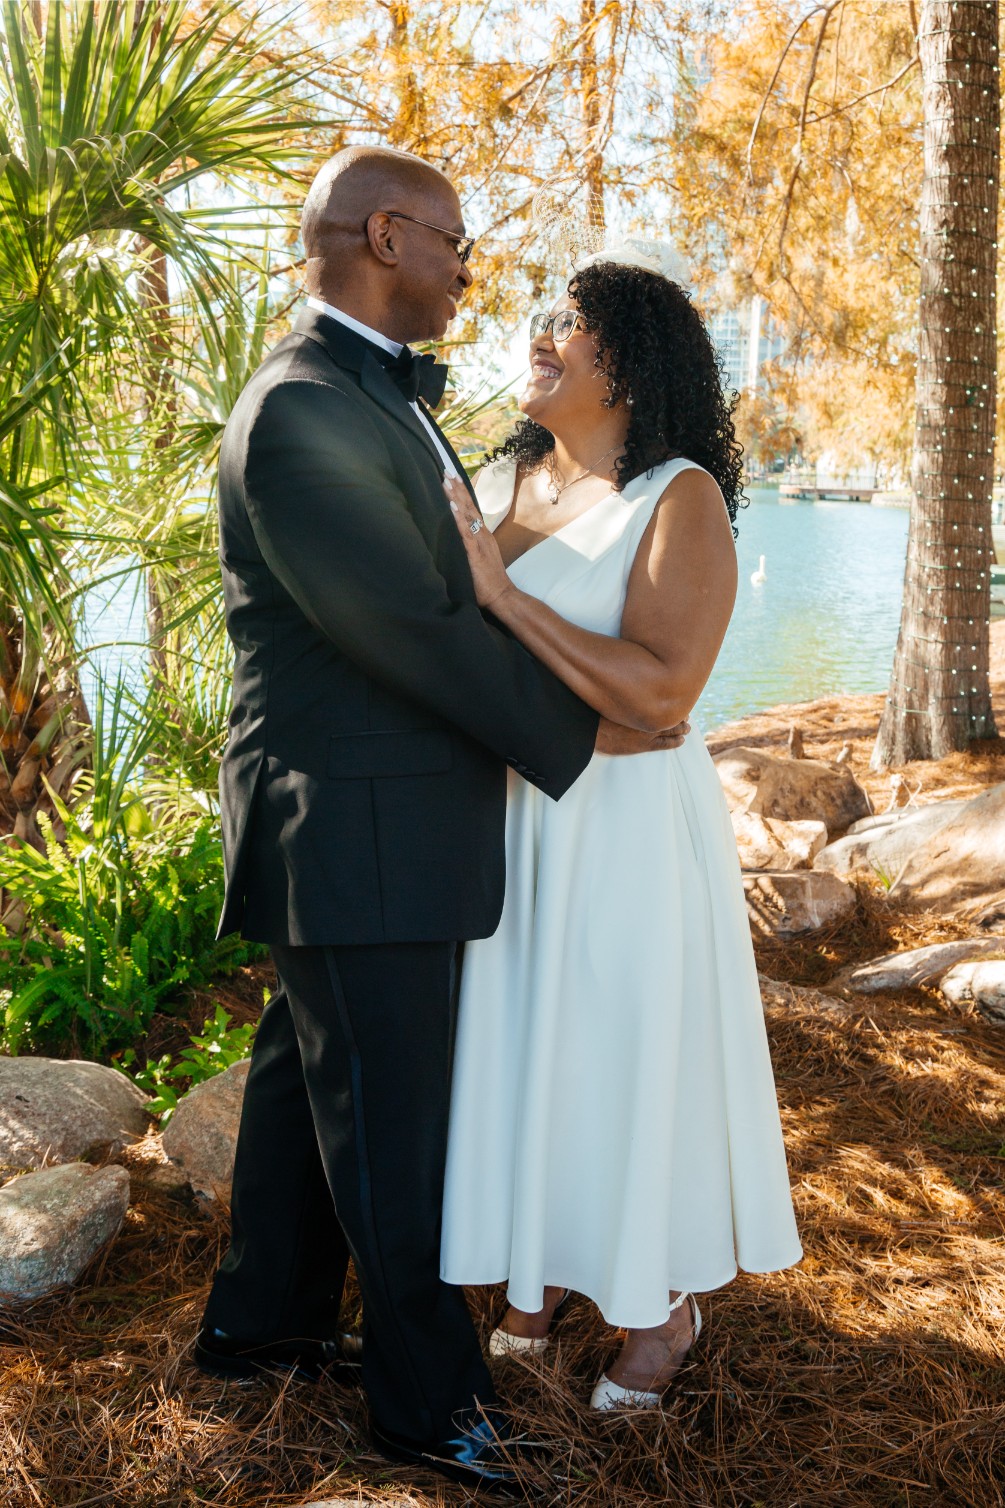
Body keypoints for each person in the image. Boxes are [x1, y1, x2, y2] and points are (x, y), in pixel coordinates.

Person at [196, 148, 687, 1495]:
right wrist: (587, 733)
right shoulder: (302, 410)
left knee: (311, 1089)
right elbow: (414, 630)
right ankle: (426, 1407)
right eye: (457, 241)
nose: (473, 267)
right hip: (355, 827)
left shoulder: (372, 396)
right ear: (390, 234)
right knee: (393, 1123)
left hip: (358, 821)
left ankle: (261, 1326)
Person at [440, 240, 803, 1410]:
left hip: (628, 836)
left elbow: (660, 693)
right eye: (540, 315)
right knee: (523, 1036)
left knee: (613, 1049)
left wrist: (500, 598)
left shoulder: (678, 497)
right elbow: (450, 663)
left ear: (632, 365)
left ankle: (660, 1312)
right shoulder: (493, 488)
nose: (539, 333)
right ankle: (536, 1284)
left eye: (571, 321)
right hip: (513, 820)